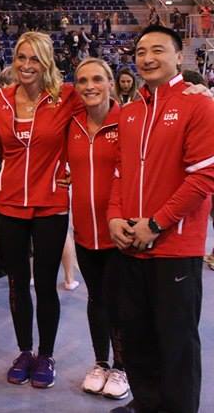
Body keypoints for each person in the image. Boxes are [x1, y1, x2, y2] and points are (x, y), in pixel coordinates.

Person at [107, 25, 214, 413]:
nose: (147, 58)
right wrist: (114, 218)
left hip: (174, 248)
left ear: (179, 57)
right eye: (140, 52)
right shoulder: (130, 112)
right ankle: (147, 405)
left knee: (177, 344)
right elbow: (120, 172)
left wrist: (155, 224)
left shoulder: (198, 105)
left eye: (158, 50)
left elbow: (204, 176)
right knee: (138, 339)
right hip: (131, 245)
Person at [0, 31, 83, 389]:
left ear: (47, 62)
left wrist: (76, 168)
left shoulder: (66, 97)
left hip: (50, 204)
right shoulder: (0, 101)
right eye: (21, 57)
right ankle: (25, 351)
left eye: (34, 59)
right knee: (17, 283)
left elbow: (102, 118)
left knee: (45, 283)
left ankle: (47, 354)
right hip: (10, 204)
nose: (26, 65)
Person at [65, 58, 130, 401]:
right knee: (96, 299)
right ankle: (101, 363)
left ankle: (122, 367)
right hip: (84, 231)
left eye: (97, 79)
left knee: (119, 300)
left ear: (111, 83)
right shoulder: (72, 123)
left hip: (119, 232)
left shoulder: (129, 120)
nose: (89, 86)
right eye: (82, 81)